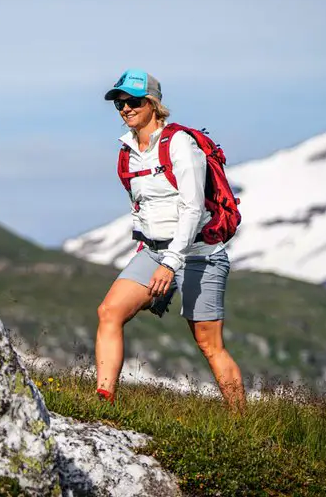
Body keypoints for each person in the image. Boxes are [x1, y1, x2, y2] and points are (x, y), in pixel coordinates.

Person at [94, 67, 245, 410]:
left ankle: (242, 423)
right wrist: (150, 252)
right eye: (119, 104)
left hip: (199, 252)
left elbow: (192, 210)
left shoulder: (180, 144)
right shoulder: (127, 150)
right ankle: (103, 402)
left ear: (152, 104)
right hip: (153, 251)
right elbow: (142, 207)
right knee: (109, 312)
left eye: (133, 102)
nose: (125, 109)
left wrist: (171, 265)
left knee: (208, 344)